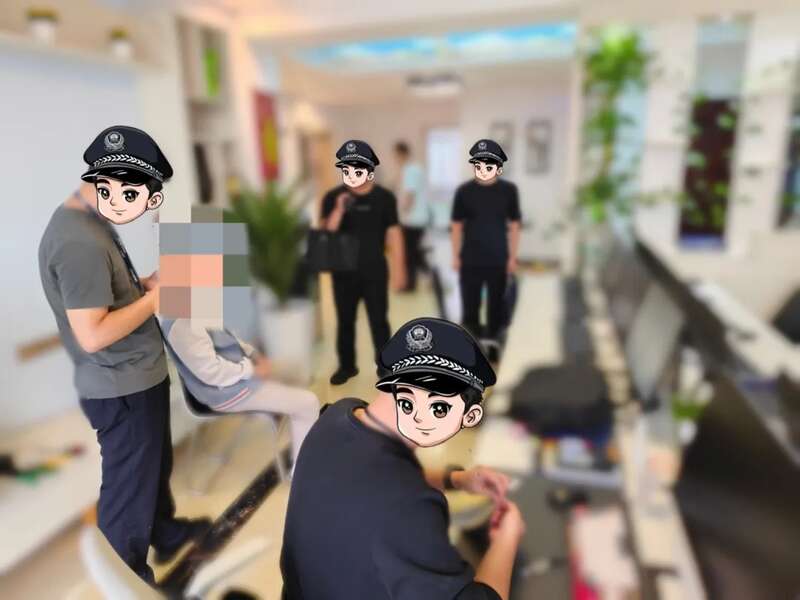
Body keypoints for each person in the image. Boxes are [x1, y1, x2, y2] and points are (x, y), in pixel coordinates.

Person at [38, 126, 210, 583]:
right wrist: (156, 300)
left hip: (138, 376)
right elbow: (92, 334)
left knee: (153, 469)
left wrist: (144, 287)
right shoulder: (78, 242)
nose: (144, 208)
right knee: (128, 492)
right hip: (121, 386)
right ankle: (128, 580)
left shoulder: (92, 221)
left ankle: (166, 532)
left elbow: (106, 300)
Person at [281, 317, 526, 600]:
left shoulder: (338, 415)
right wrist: (507, 538)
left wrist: (457, 479)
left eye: (436, 407)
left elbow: (379, 479)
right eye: (439, 408)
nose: (419, 415)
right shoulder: (411, 509)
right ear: (469, 416)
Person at [159, 317, 318, 467]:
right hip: (225, 391)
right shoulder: (178, 320)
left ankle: (298, 434)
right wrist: (253, 370)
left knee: (296, 370)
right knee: (308, 403)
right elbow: (211, 372)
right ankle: (302, 473)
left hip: (239, 372)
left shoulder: (186, 302)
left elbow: (226, 334)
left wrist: (254, 355)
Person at [320, 139, 406, 385]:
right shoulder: (333, 197)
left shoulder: (385, 198)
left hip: (374, 269)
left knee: (379, 320)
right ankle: (347, 367)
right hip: (343, 271)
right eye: (346, 169)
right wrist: (339, 210)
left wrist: (400, 270)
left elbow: (394, 234)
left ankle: (386, 367)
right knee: (345, 321)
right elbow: (326, 233)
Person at [451, 139, 521, 362]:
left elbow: (514, 225)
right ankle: (469, 352)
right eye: (478, 165)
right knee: (470, 309)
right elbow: (456, 226)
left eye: (488, 165)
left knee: (495, 309)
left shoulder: (509, 191)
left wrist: (512, 257)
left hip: (498, 259)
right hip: (470, 259)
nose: (482, 169)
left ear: (498, 167)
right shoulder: (464, 191)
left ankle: (491, 349)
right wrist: (455, 256)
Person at [393, 140, 429, 292]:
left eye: (396, 155)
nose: (395, 158)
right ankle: (430, 277)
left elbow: (409, 195)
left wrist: (400, 211)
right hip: (419, 218)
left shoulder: (410, 170)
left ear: (401, 154)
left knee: (411, 253)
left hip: (412, 219)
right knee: (415, 252)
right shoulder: (416, 168)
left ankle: (411, 285)